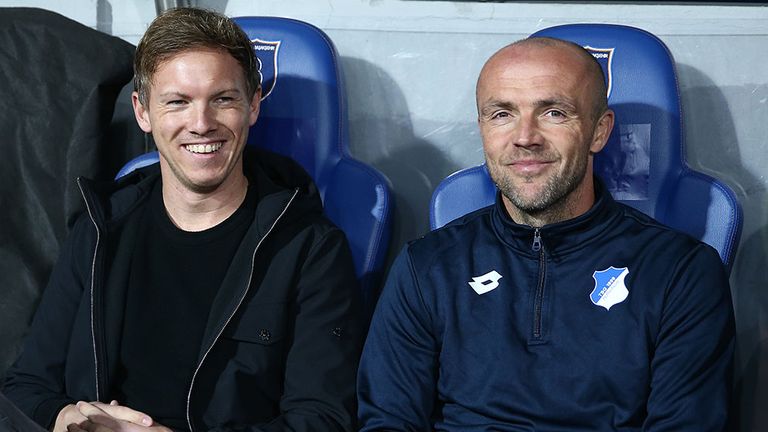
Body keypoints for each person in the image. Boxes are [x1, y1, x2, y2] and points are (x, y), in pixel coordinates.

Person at [3, 7, 362, 432]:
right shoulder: (102, 229)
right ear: (143, 112)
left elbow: (322, 419)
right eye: (177, 102)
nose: (201, 124)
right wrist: (66, 418)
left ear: (252, 106)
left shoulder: (310, 247)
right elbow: (25, 386)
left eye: (223, 99)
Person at [357, 37, 735, 431]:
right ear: (483, 129)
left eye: (554, 112)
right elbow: (388, 421)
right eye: (502, 114)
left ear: (599, 131)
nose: (525, 137)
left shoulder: (681, 272)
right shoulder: (427, 266)